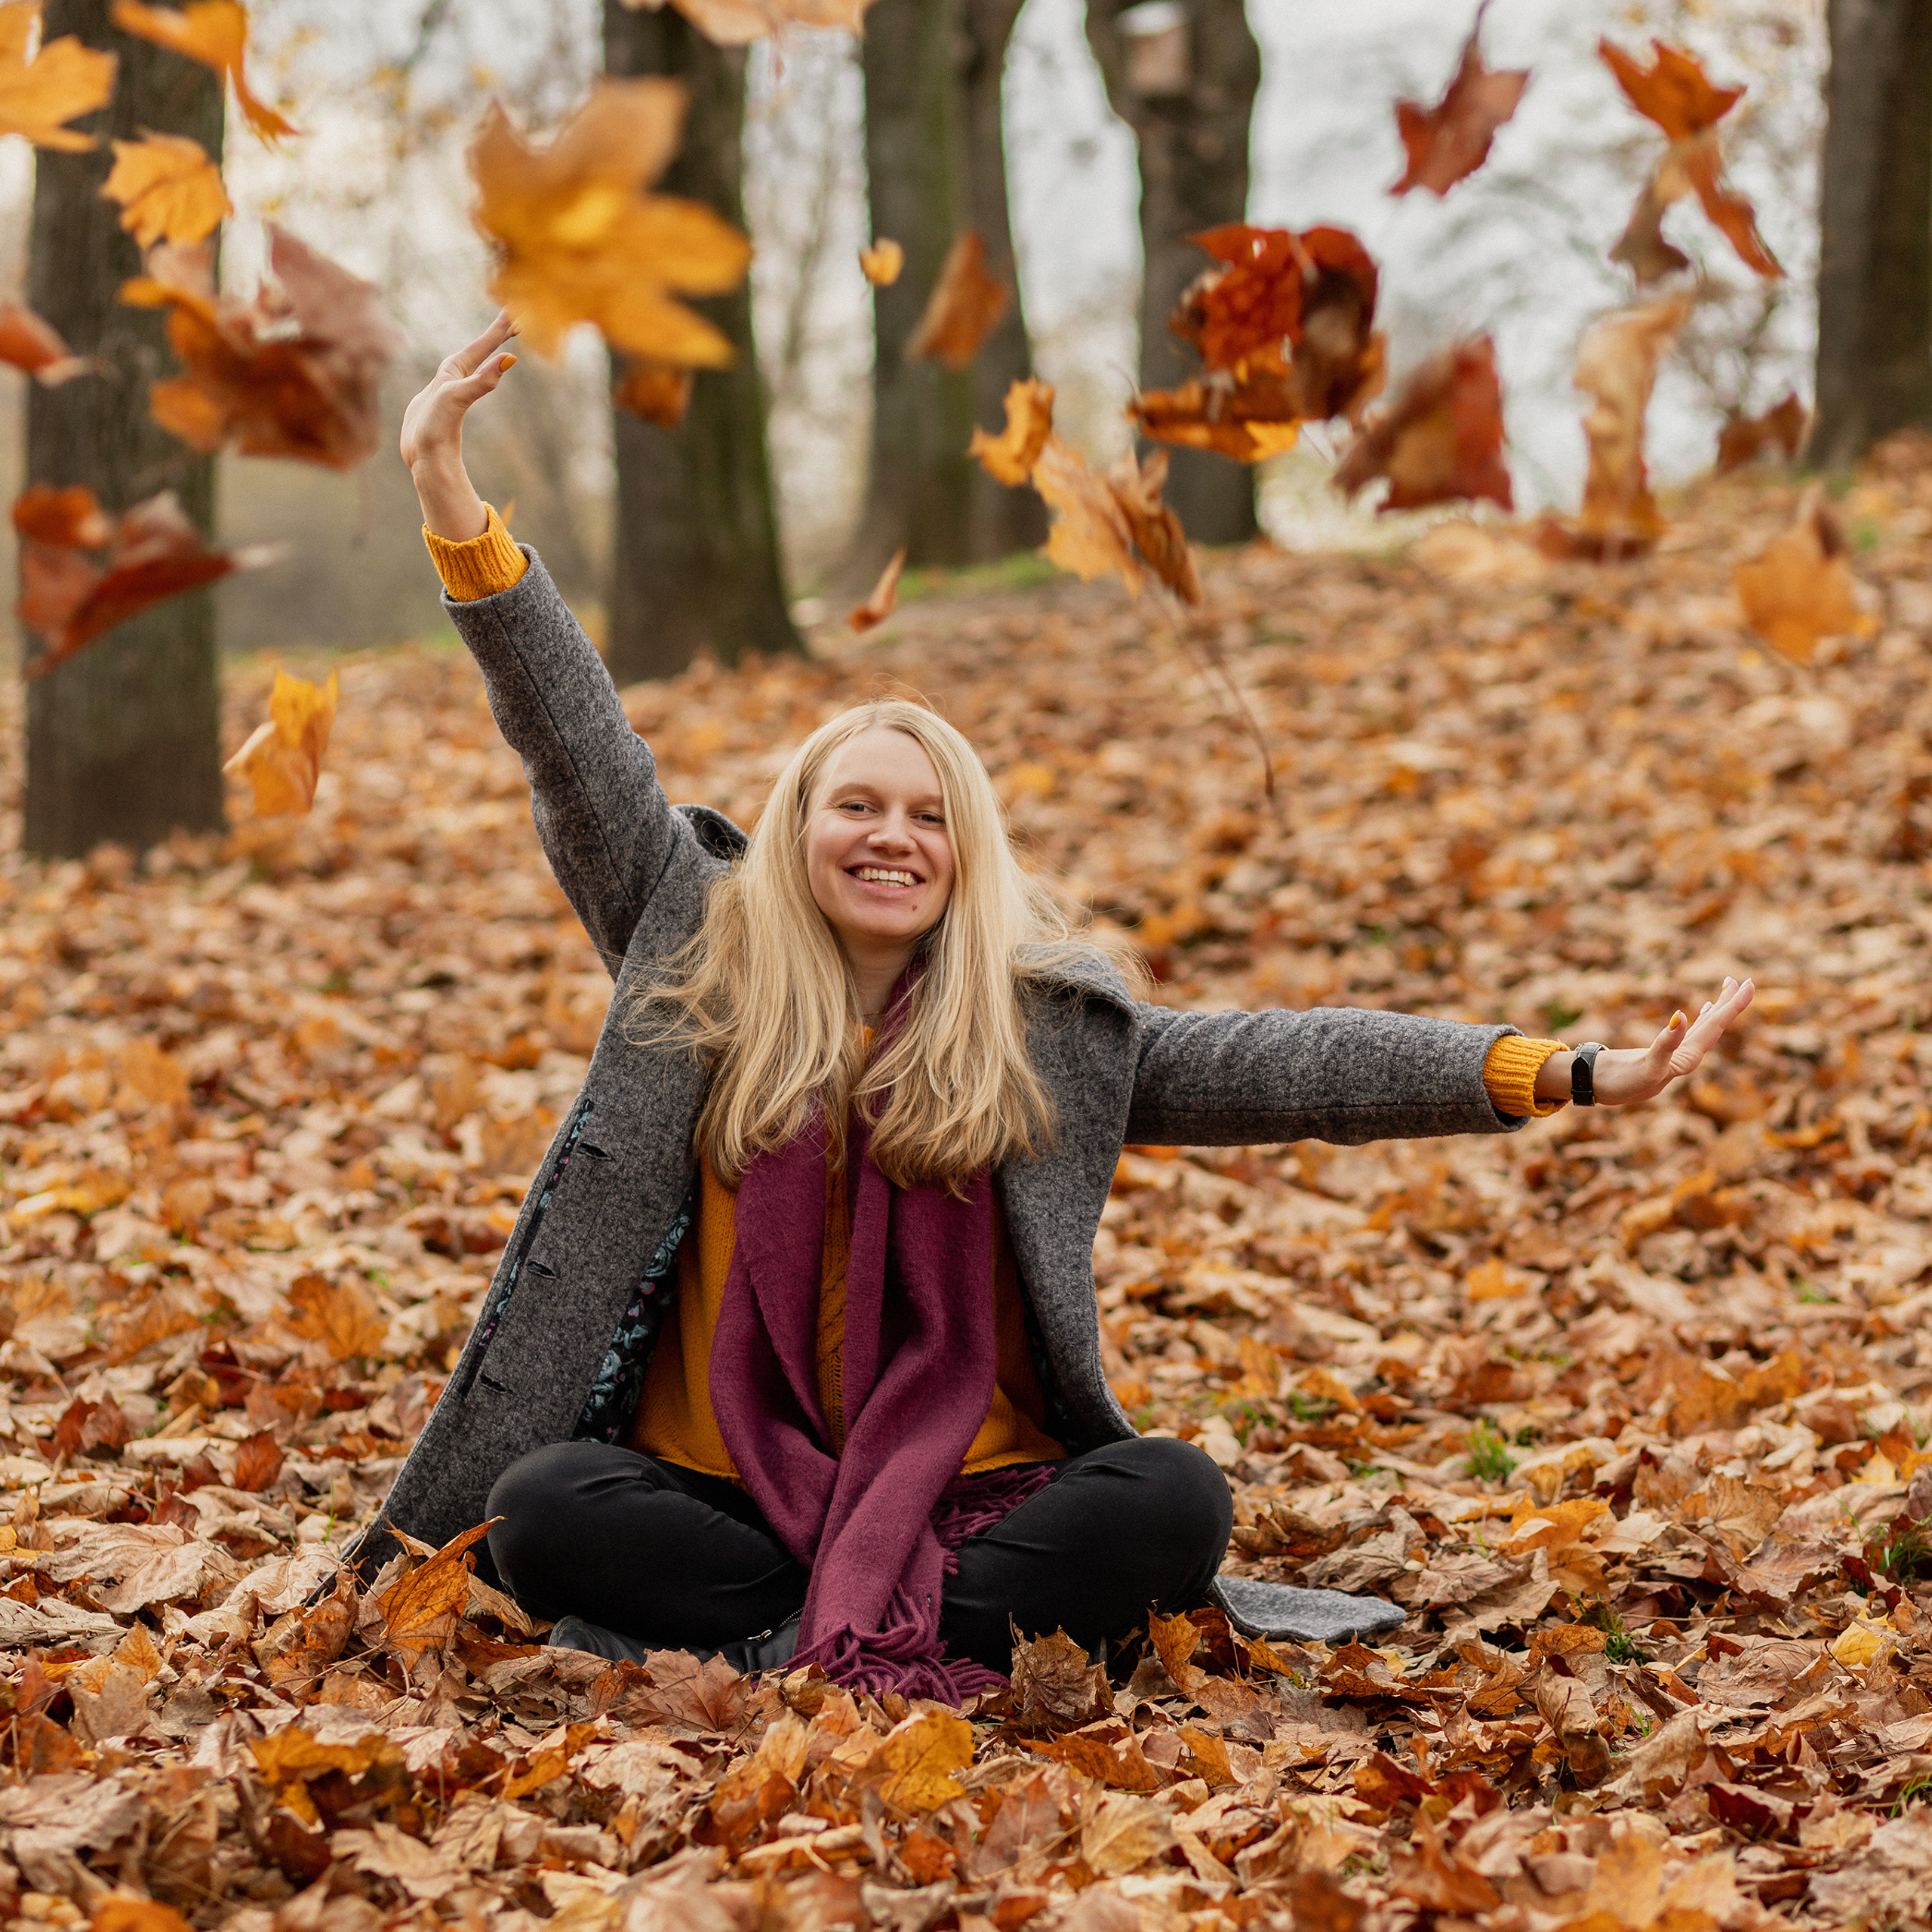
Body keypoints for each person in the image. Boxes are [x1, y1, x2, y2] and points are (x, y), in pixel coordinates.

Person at [366, 312, 1756, 1700]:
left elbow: (1288, 1068)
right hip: (725, 1490)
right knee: (548, 1503)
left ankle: (819, 1633)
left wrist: (1561, 1070)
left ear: (966, 854)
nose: (891, 837)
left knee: (1170, 1502)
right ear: (799, 830)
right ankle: (865, 1625)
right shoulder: (695, 960)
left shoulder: (1034, 1034)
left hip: (971, 1494)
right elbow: (577, 748)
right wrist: (452, 502)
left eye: (927, 816)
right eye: (856, 805)